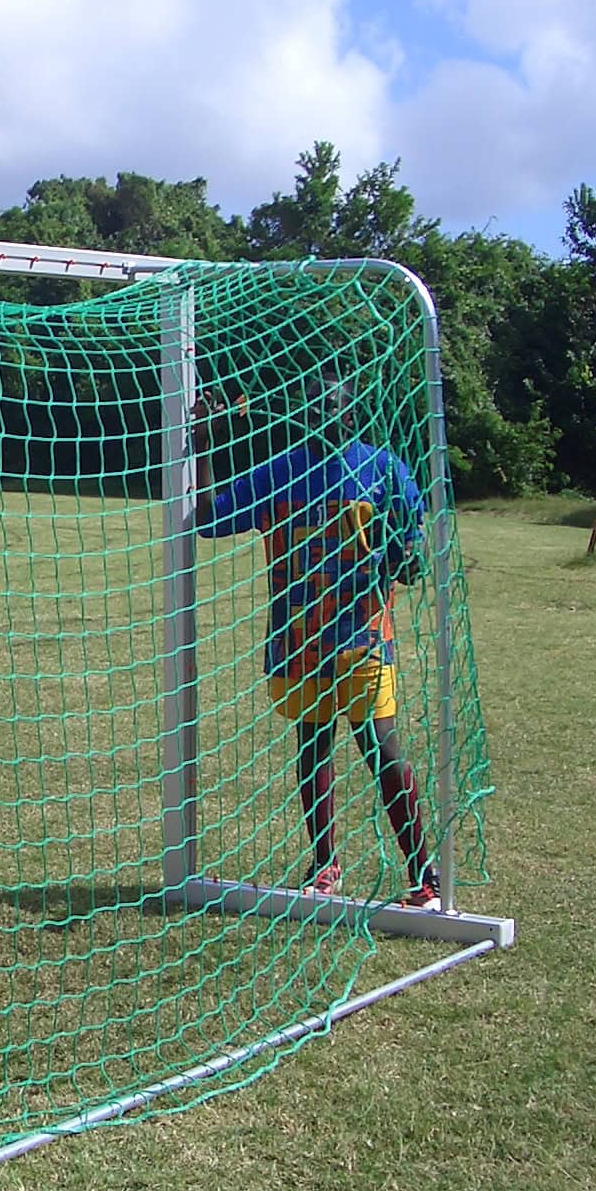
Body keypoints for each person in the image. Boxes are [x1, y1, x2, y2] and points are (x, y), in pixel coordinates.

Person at [193, 380, 440, 908]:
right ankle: (323, 866)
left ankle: (425, 873)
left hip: (365, 641)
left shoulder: (383, 469)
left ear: (353, 411)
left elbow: (412, 557)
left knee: (382, 749)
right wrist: (205, 442)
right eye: (318, 407)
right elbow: (209, 520)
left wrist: (403, 558)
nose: (329, 415)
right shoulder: (278, 472)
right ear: (302, 414)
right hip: (297, 644)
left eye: (337, 405)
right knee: (312, 747)